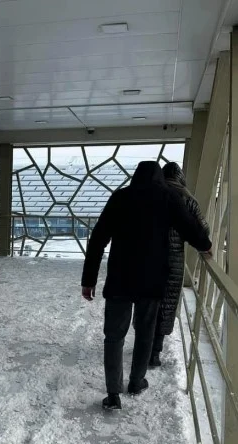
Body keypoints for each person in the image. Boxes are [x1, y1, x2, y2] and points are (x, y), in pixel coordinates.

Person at [81, 160, 212, 411]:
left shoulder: (120, 197)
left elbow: (98, 239)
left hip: (120, 279)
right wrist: (205, 245)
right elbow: (190, 227)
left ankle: (113, 393)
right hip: (152, 280)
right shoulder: (168, 197)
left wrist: (89, 280)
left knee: (114, 336)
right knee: (145, 332)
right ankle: (137, 381)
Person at [148, 161, 211, 367]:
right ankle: (155, 352)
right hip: (173, 260)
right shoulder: (187, 198)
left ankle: (144, 347)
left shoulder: (151, 194)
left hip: (149, 257)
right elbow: (202, 229)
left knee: (147, 302)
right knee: (166, 304)